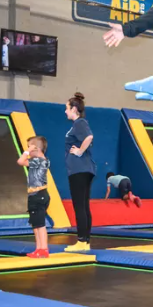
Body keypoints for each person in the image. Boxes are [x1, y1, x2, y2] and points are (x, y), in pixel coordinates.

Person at [64, 92, 96, 252]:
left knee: (79, 206)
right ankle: (85, 241)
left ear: (74, 109)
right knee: (83, 205)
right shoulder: (78, 124)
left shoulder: (79, 123)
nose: (65, 111)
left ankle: (82, 241)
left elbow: (89, 137)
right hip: (83, 170)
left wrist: (79, 151)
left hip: (79, 170)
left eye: (67, 108)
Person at [17, 136, 51, 258]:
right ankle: (38, 248)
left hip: (39, 195)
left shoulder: (41, 160)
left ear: (35, 148)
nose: (27, 150)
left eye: (29, 147)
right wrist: (29, 151)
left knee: (40, 225)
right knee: (35, 224)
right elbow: (24, 162)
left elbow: (20, 161)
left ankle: (44, 249)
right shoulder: (35, 161)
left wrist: (27, 151)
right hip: (34, 195)